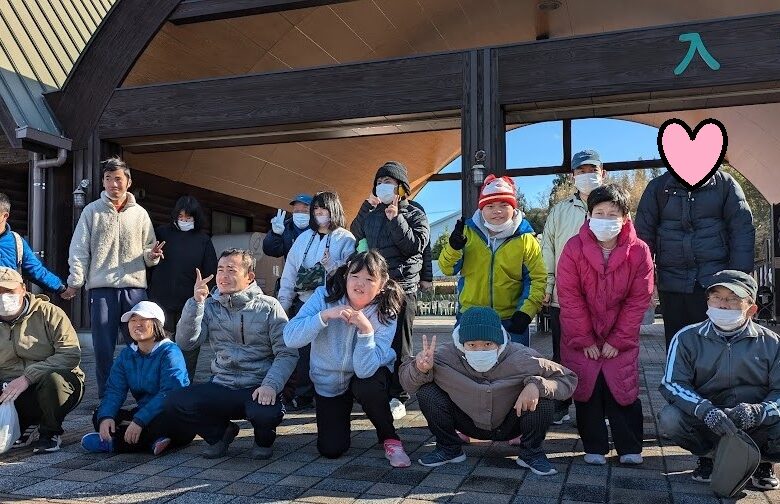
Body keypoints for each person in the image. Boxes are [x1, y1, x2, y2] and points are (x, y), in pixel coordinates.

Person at [400, 306, 576, 475]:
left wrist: (536, 385)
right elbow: (407, 382)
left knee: (542, 399)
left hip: (510, 424)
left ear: (499, 341)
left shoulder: (523, 357)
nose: (480, 350)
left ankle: (531, 452)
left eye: (487, 344)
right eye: (472, 345)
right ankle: (448, 448)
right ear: (462, 343)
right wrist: (419, 368)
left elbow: (568, 378)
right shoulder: (443, 355)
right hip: (466, 422)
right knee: (427, 391)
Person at [165, 249, 298, 460]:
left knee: (265, 414)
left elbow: (287, 353)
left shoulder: (269, 307)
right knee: (175, 401)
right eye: (220, 270)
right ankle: (220, 434)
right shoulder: (209, 306)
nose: (223, 276)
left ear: (249, 277)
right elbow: (186, 343)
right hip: (222, 383)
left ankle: (264, 438)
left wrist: (271, 385)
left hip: (258, 385)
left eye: (231, 270)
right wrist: (195, 303)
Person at [284, 250, 412, 467]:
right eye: (355, 276)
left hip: (366, 373)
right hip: (329, 381)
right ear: (346, 276)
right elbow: (290, 337)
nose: (360, 283)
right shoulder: (323, 296)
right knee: (331, 449)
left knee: (369, 386)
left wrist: (366, 330)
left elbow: (365, 369)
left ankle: (390, 438)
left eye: (370, 279)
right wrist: (323, 317)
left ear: (382, 284)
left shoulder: (386, 310)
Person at [557, 184, 654, 465]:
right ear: (588, 216)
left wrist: (618, 340)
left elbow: (639, 299)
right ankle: (594, 446)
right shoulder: (573, 248)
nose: (606, 218)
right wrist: (585, 339)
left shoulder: (640, 251)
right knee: (588, 388)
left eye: (613, 213)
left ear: (625, 217)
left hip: (619, 336)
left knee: (622, 389)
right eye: (599, 212)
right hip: (580, 337)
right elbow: (569, 296)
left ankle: (630, 447)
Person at [658, 270, 780, 491]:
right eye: (716, 297)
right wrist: (705, 410)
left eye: (733, 299)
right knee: (670, 417)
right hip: (708, 419)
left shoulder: (772, 343)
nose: (723, 305)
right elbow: (672, 383)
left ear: (751, 309)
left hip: (756, 422)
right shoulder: (686, 337)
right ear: (707, 302)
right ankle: (711, 457)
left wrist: (758, 412)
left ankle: (762, 461)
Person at [63, 157, 163, 399]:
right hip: (101, 289)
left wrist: (152, 255)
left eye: (118, 179)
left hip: (135, 289)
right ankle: (108, 399)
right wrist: (75, 281)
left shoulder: (140, 214)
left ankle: (145, 396)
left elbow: (149, 248)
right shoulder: (92, 211)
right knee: (103, 348)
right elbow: (79, 248)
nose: (112, 184)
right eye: (108, 179)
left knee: (142, 343)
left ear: (128, 182)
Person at [635, 167, 754, 349]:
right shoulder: (658, 187)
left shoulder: (724, 184)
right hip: (672, 282)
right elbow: (643, 237)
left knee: (716, 344)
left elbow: (742, 230)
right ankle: (676, 378)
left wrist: (738, 281)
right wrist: (645, 283)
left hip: (715, 284)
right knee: (677, 343)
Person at [350, 161, 430, 420]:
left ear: (402, 188)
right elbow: (356, 232)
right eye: (380, 182)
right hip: (376, 288)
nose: (384, 186)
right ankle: (377, 389)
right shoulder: (372, 213)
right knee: (373, 339)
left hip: (403, 288)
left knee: (401, 344)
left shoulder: (415, 213)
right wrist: (366, 207)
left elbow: (414, 246)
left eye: (390, 182)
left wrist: (396, 218)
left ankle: (400, 395)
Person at [439, 175, 545, 346]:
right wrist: (453, 247)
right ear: (481, 209)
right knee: (467, 369)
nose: (497, 211)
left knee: (512, 370)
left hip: (511, 320)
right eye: (490, 206)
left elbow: (536, 279)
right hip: (470, 316)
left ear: (513, 208)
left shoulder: (526, 239)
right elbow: (447, 268)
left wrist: (526, 312)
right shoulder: (466, 233)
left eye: (504, 205)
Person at [541, 149, 605, 424]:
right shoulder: (560, 210)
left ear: (603, 173)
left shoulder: (614, 207)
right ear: (572, 176)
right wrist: (547, 283)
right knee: (563, 352)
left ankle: (597, 407)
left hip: (602, 297)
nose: (586, 175)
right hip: (564, 298)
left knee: (601, 354)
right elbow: (548, 248)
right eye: (580, 171)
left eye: (592, 170)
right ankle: (561, 403)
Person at [81, 301, 193, 455]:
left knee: (165, 422)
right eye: (133, 321)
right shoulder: (127, 355)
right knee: (100, 415)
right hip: (143, 412)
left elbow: (170, 392)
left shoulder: (170, 352)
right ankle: (154, 441)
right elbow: (115, 390)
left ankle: (113, 444)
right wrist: (106, 416)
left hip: (173, 414)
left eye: (143, 320)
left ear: (157, 324)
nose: (137, 325)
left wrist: (140, 420)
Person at [278, 191, 355, 410]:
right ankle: (302, 395)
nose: (319, 214)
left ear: (334, 210)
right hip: (305, 301)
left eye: (324, 210)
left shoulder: (345, 238)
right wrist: (283, 304)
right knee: (302, 351)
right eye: (317, 210)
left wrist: (332, 266)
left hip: (333, 302)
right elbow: (290, 272)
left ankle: (336, 392)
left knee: (331, 349)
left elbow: (350, 271)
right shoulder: (304, 238)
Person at [0, 267, 84, 453]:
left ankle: (50, 432)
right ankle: (23, 425)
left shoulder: (50, 313)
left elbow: (70, 354)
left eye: (9, 291)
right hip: (9, 386)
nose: (3, 297)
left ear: (23, 288)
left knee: (53, 381)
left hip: (53, 383)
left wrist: (28, 377)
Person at [148, 195, 218, 382]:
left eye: (189, 218)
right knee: (159, 346)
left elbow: (211, 272)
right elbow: (147, 262)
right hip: (160, 299)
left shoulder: (203, 240)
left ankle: (184, 384)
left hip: (190, 303)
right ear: (175, 216)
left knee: (189, 346)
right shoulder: (161, 233)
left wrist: (204, 295)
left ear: (196, 218)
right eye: (181, 217)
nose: (185, 221)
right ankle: (159, 385)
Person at [0, 192, 67, 296]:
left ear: (5, 216)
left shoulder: (17, 242)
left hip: (7, 303)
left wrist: (60, 287)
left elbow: (36, 271)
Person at [263, 193, 313, 260]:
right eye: (297, 211)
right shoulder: (286, 227)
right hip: (292, 269)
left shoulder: (319, 228)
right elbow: (270, 251)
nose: (300, 214)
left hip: (316, 269)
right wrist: (275, 234)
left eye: (305, 211)